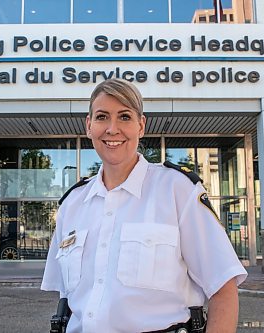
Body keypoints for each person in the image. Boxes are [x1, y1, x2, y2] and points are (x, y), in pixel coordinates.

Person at [41, 78, 247, 333]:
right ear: (89, 125)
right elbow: (69, 300)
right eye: (102, 117)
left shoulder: (177, 190)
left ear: (141, 125)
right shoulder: (73, 204)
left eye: (125, 117)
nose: (112, 129)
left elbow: (223, 288)